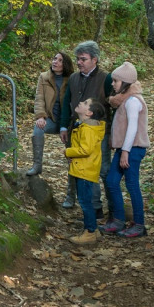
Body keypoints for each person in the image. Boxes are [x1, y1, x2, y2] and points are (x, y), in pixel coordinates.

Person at [58, 41, 113, 217]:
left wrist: (113, 134)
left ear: (94, 60)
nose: (79, 62)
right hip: (76, 130)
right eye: (77, 59)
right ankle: (93, 209)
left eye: (83, 59)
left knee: (103, 169)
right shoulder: (74, 78)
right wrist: (63, 126)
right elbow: (66, 102)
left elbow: (114, 107)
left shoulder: (106, 78)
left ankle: (113, 208)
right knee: (80, 167)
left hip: (98, 132)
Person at [100, 62, 150, 238]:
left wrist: (126, 152)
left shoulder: (133, 101)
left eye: (116, 81)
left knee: (131, 185)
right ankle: (118, 220)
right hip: (124, 149)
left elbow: (133, 128)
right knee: (112, 181)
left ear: (126, 83)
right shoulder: (124, 100)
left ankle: (139, 224)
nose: (113, 84)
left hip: (132, 149)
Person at [65, 98, 107, 244]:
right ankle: (93, 229)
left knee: (84, 202)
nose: (80, 102)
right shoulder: (84, 126)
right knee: (85, 200)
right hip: (83, 168)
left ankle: (89, 232)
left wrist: (68, 152)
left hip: (85, 170)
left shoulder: (88, 129)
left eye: (84, 103)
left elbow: (85, 149)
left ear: (89, 112)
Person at [26, 51, 75, 176]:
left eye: (59, 60)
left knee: (73, 156)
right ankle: (37, 165)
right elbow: (39, 98)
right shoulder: (44, 77)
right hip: (51, 119)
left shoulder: (73, 79)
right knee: (38, 128)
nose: (55, 62)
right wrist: (40, 116)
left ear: (66, 64)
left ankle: (72, 191)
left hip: (68, 122)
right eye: (54, 59)